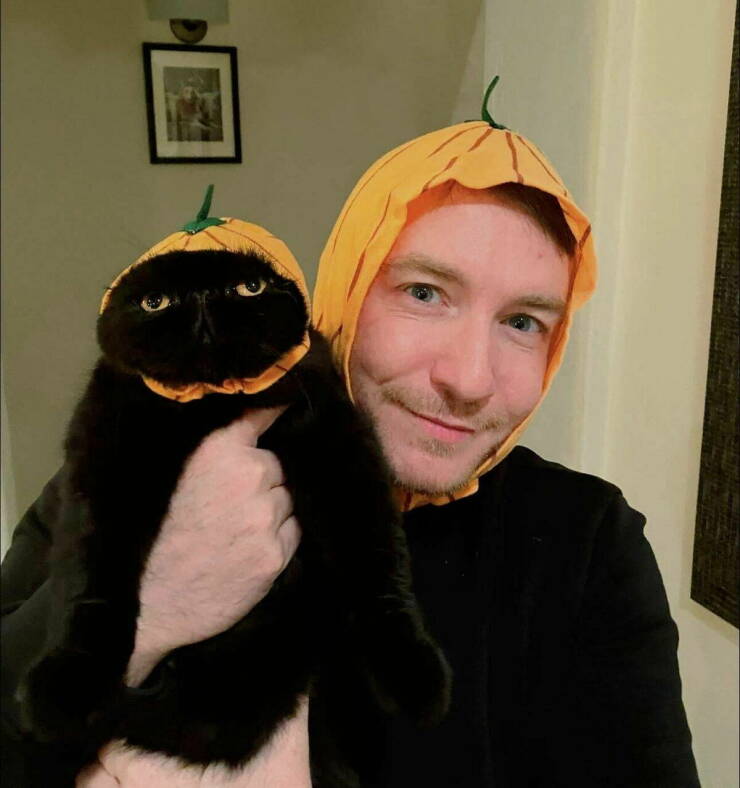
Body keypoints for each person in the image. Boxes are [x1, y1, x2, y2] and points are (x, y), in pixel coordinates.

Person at [1, 108, 701, 786]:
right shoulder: (134, 471)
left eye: (523, 322)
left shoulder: (587, 544)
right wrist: (153, 606)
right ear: (344, 291)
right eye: (424, 293)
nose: (469, 380)